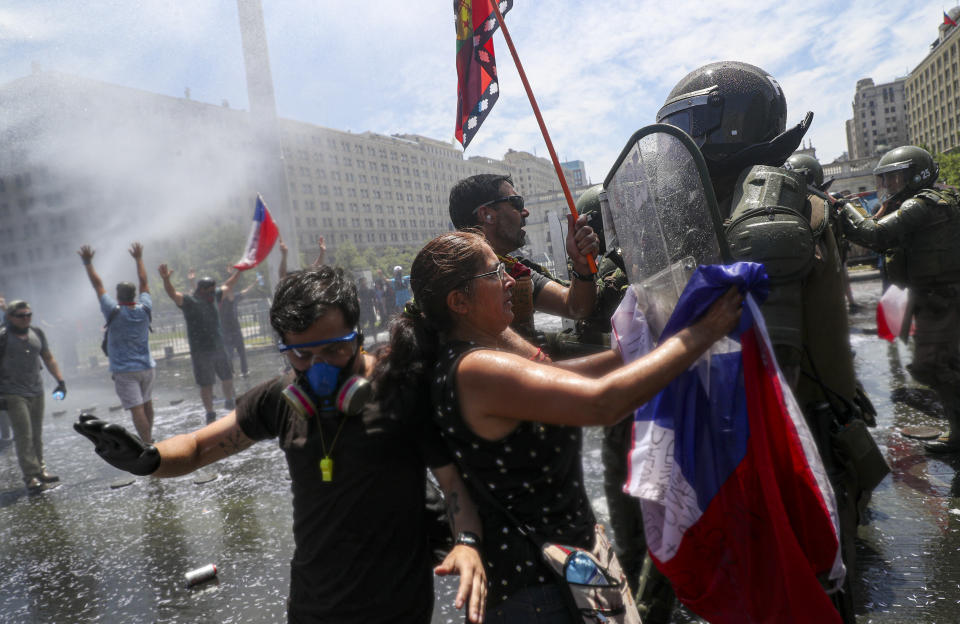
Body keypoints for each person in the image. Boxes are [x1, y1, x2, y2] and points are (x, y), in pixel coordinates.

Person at [75, 267, 488, 623]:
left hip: (397, 604)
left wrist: (467, 544)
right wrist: (148, 460)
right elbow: (201, 447)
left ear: (359, 335)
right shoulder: (279, 398)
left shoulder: (400, 388)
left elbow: (451, 483)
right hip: (313, 604)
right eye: (301, 355)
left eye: (335, 348)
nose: (319, 367)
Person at [378, 231, 741, 621]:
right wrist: (701, 333)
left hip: (559, 574)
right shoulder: (476, 369)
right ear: (459, 302)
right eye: (496, 271)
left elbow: (564, 376)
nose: (510, 280)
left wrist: (648, 341)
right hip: (542, 592)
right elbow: (602, 402)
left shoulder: (473, 358)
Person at [658, 60, 879, 622]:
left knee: (801, 596)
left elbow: (766, 377)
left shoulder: (765, 216)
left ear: (726, 125)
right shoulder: (736, 203)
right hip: (768, 445)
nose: (677, 142)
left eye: (687, 122)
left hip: (789, 452)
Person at [840, 145, 960, 454]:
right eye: (887, 180)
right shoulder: (937, 201)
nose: (890, 187)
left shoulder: (919, 206)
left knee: (932, 366)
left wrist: (842, 208)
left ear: (915, 176)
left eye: (896, 179)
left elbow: (874, 235)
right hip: (938, 298)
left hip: (941, 299)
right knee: (942, 365)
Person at [449, 174, 600, 358]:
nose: (526, 212)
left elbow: (574, 306)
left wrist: (582, 266)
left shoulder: (516, 270)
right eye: (516, 203)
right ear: (486, 215)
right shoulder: (451, 278)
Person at [78, 243, 157, 444]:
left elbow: (98, 286)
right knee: (147, 404)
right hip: (147, 366)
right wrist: (139, 258)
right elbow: (144, 282)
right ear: (133, 295)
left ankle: (147, 443)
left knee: (136, 409)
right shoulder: (144, 308)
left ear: (118, 295)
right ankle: (150, 437)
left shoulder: (113, 310)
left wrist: (88, 262)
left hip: (124, 370)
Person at [0, 300, 66, 492]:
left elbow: (48, 357)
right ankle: (30, 476)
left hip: (36, 390)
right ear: (11, 317)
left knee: (37, 434)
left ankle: (41, 470)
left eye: (29, 314)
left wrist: (60, 381)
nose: (26, 318)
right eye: (21, 315)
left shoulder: (37, 333)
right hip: (13, 392)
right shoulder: (3, 336)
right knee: (24, 434)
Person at [158, 264, 235, 423]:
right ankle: (210, 413)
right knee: (206, 384)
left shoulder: (214, 297)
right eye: (211, 290)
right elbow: (172, 294)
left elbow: (228, 285)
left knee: (227, 378)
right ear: (202, 289)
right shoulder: (189, 301)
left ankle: (229, 402)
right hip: (200, 351)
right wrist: (166, 280)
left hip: (218, 347)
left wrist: (241, 270)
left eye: (214, 290)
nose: (214, 292)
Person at [218, 267, 257, 378]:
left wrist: (254, 283)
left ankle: (244, 371)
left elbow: (244, 291)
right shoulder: (220, 300)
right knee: (229, 354)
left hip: (235, 329)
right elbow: (229, 288)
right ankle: (231, 372)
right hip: (226, 331)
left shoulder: (233, 298)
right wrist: (230, 276)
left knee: (241, 352)